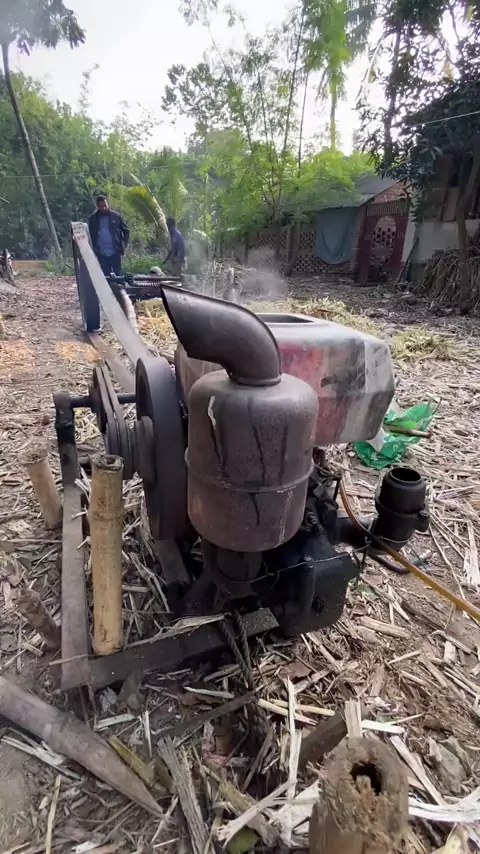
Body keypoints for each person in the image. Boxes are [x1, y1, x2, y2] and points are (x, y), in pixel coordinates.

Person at [88, 194, 130, 277]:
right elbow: (90, 235)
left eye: (105, 205)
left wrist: (123, 245)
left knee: (118, 276)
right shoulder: (93, 219)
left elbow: (126, 231)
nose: (104, 208)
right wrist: (94, 249)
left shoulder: (116, 217)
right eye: (101, 206)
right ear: (98, 206)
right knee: (105, 277)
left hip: (115, 252)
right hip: (101, 253)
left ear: (107, 203)